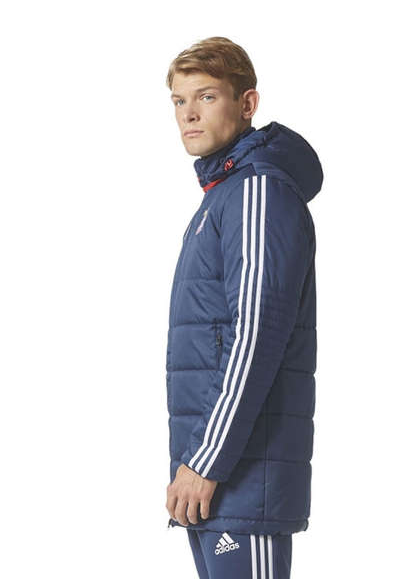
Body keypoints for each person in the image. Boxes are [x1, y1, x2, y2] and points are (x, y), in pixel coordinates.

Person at [164, 36, 322, 579]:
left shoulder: (257, 192)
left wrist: (205, 460)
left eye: (206, 96)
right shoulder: (225, 194)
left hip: (239, 478)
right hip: (221, 483)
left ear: (247, 103)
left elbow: (256, 333)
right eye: (179, 100)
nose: (189, 114)